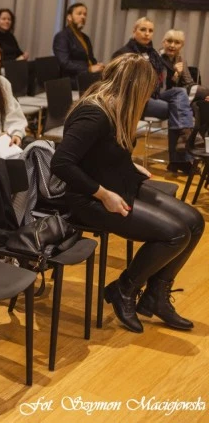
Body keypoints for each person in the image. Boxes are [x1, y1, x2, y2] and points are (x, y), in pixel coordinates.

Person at [51, 54, 203, 333]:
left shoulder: (116, 107)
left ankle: (156, 296)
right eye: (148, 89)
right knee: (176, 233)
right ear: (135, 87)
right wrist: (102, 194)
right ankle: (124, 289)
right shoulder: (95, 113)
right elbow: (61, 163)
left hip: (117, 182)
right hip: (88, 198)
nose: (150, 96)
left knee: (195, 221)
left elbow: (100, 151)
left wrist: (127, 163)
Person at [112, 17, 194, 174]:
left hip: (153, 96)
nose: (147, 33)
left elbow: (162, 83)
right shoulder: (123, 53)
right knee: (177, 109)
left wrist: (176, 75)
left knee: (180, 93)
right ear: (134, 31)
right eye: (143, 29)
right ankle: (180, 156)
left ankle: (180, 152)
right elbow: (118, 83)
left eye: (150, 31)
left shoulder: (153, 54)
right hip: (134, 100)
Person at [52, 3, 104, 83]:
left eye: (85, 14)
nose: (83, 17)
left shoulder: (85, 38)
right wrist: (89, 69)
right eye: (79, 14)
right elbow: (64, 63)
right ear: (69, 17)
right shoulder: (62, 37)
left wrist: (98, 65)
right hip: (71, 80)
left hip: (87, 76)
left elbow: (90, 59)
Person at [159, 29, 208, 102]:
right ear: (163, 42)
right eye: (169, 41)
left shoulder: (181, 60)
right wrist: (175, 74)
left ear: (182, 45)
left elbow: (189, 83)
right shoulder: (157, 58)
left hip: (179, 92)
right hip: (162, 93)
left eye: (177, 43)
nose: (172, 45)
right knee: (182, 93)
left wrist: (204, 94)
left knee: (203, 91)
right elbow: (162, 87)